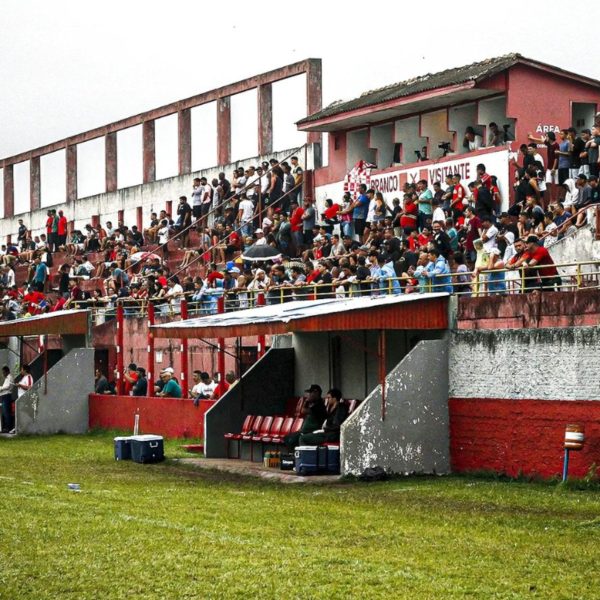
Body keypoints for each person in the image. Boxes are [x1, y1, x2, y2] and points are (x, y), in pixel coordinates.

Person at [284, 384, 327, 451]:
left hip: (311, 432)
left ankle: (297, 456)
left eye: (310, 393)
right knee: (287, 438)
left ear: (316, 393)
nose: (308, 395)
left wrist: (306, 401)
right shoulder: (313, 404)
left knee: (292, 440)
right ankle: (293, 456)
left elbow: (303, 411)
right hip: (304, 431)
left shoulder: (320, 405)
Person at [0, 365, 14, 433]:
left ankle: (8, 428)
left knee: (6, 413)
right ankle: (5, 428)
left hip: (6, 396)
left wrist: (0, 388)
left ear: (7, 371)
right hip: (4, 396)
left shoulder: (9, 377)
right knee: (4, 413)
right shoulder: (7, 378)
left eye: (4, 372)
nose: (3, 374)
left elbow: (7, 386)